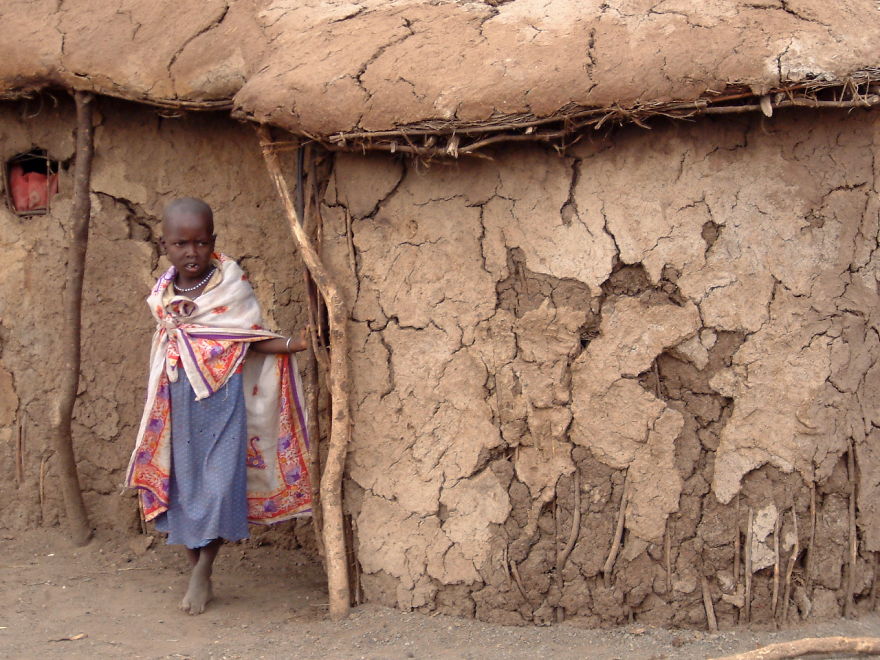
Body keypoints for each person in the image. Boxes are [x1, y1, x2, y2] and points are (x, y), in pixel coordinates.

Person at [125, 197, 313, 615]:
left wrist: (293, 344)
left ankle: (203, 570)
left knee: (219, 485)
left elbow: (246, 337)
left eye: (200, 242)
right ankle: (197, 566)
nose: (191, 252)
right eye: (180, 244)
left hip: (224, 401)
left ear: (214, 241)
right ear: (164, 245)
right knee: (184, 486)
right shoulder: (163, 295)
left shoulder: (231, 286)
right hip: (177, 403)